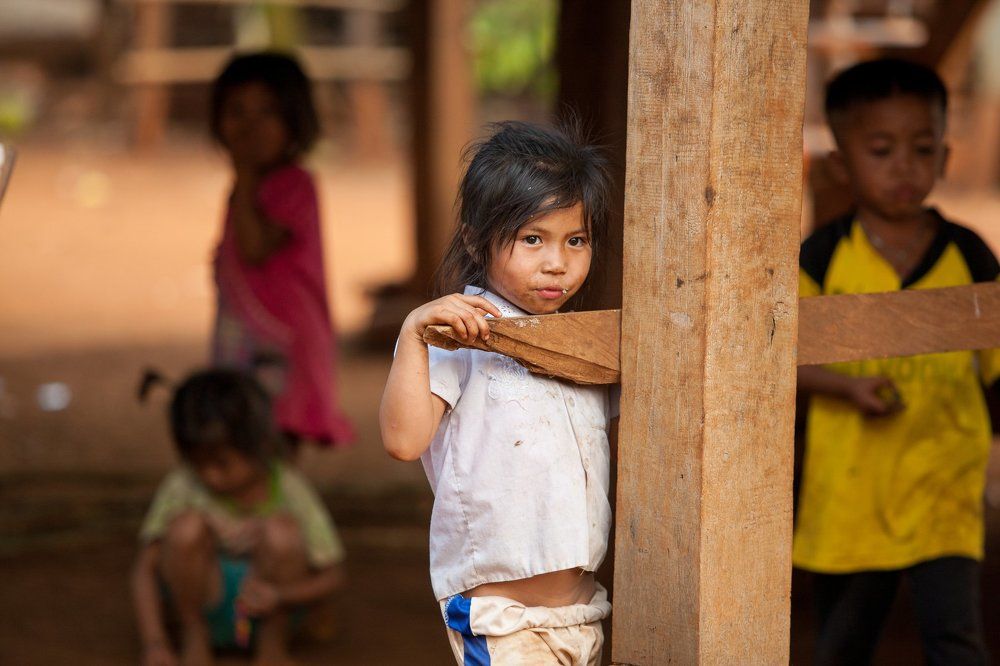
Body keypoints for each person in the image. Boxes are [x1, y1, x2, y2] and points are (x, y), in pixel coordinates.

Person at [379, 121, 615, 665]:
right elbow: (402, 441)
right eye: (533, 239)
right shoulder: (456, 334)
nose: (557, 262)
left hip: (583, 614)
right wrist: (414, 332)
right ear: (473, 237)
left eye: (575, 240)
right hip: (500, 619)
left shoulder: (584, 347)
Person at [795, 58, 1000, 665]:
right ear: (841, 164)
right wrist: (845, 387)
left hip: (946, 488)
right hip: (853, 496)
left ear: (944, 157)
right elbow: (780, 360)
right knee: (842, 647)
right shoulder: (824, 258)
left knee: (957, 642)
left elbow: (996, 370)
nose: (904, 167)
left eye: (921, 147)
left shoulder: (971, 257)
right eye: (881, 149)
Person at [131, 369, 345, 666]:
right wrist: (154, 644)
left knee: (281, 531)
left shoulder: (287, 486)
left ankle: (272, 648)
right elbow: (145, 568)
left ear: (260, 445)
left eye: (221, 463)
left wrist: (281, 595)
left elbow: (332, 575)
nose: (209, 475)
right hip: (202, 603)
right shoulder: (183, 485)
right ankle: (195, 639)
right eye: (198, 463)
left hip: (272, 607)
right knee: (185, 528)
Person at [209, 52, 353, 448]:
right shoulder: (245, 188)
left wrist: (243, 173)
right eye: (237, 111)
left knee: (268, 442)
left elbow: (255, 248)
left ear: (294, 121)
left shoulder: (293, 185)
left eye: (267, 113)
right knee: (239, 436)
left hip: (280, 343)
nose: (250, 127)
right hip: (243, 334)